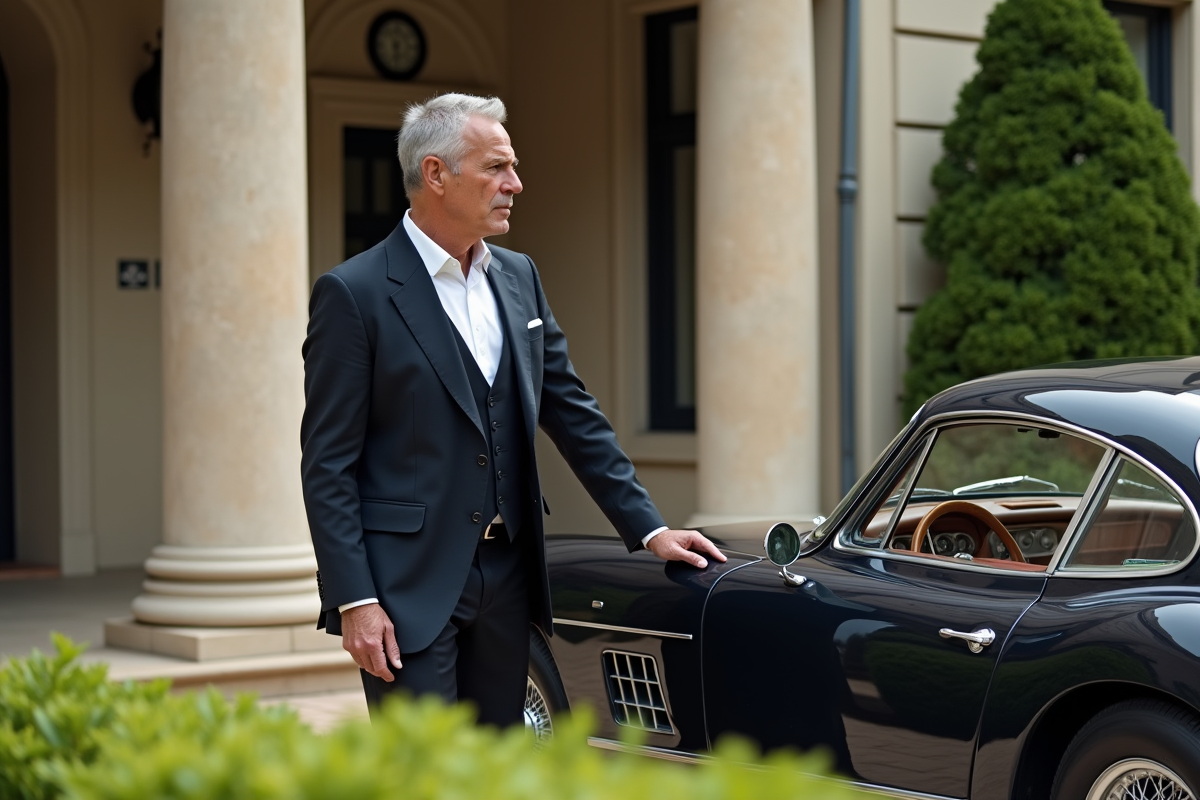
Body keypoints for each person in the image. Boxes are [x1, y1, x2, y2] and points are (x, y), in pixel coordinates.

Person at [300, 93, 725, 727]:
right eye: (497, 167)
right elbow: (328, 464)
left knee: (500, 769)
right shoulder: (354, 293)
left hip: (508, 578)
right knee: (424, 776)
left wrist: (649, 528)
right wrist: (355, 599)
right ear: (437, 174)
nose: (515, 184)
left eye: (513, 167)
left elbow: (572, 410)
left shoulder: (520, 277)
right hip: (405, 588)